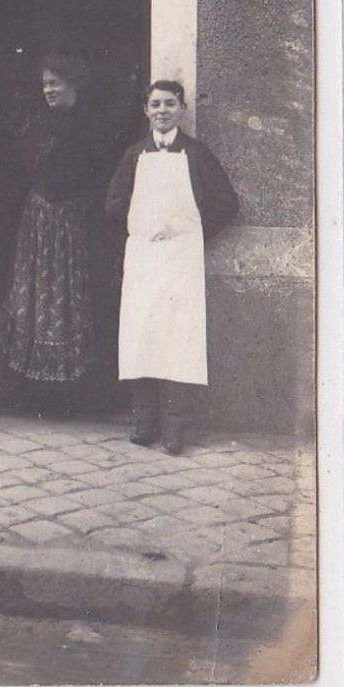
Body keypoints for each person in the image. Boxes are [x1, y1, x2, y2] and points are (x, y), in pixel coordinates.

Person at [105, 80, 239, 455]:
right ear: (145, 111)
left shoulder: (196, 154)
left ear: (182, 108)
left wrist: (193, 232)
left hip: (182, 258)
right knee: (141, 335)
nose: (161, 111)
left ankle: (175, 429)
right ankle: (145, 423)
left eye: (169, 104)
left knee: (180, 337)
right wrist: (140, 230)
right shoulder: (135, 154)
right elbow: (113, 203)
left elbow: (227, 203)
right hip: (144, 256)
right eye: (154, 105)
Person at [0, 56, 106, 407]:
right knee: (31, 294)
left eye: (55, 83)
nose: (49, 90)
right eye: (44, 85)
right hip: (39, 221)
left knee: (70, 297)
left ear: (74, 84)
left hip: (74, 222)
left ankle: (69, 393)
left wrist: (79, 205)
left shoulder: (93, 128)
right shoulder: (34, 125)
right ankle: (25, 390)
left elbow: (100, 178)